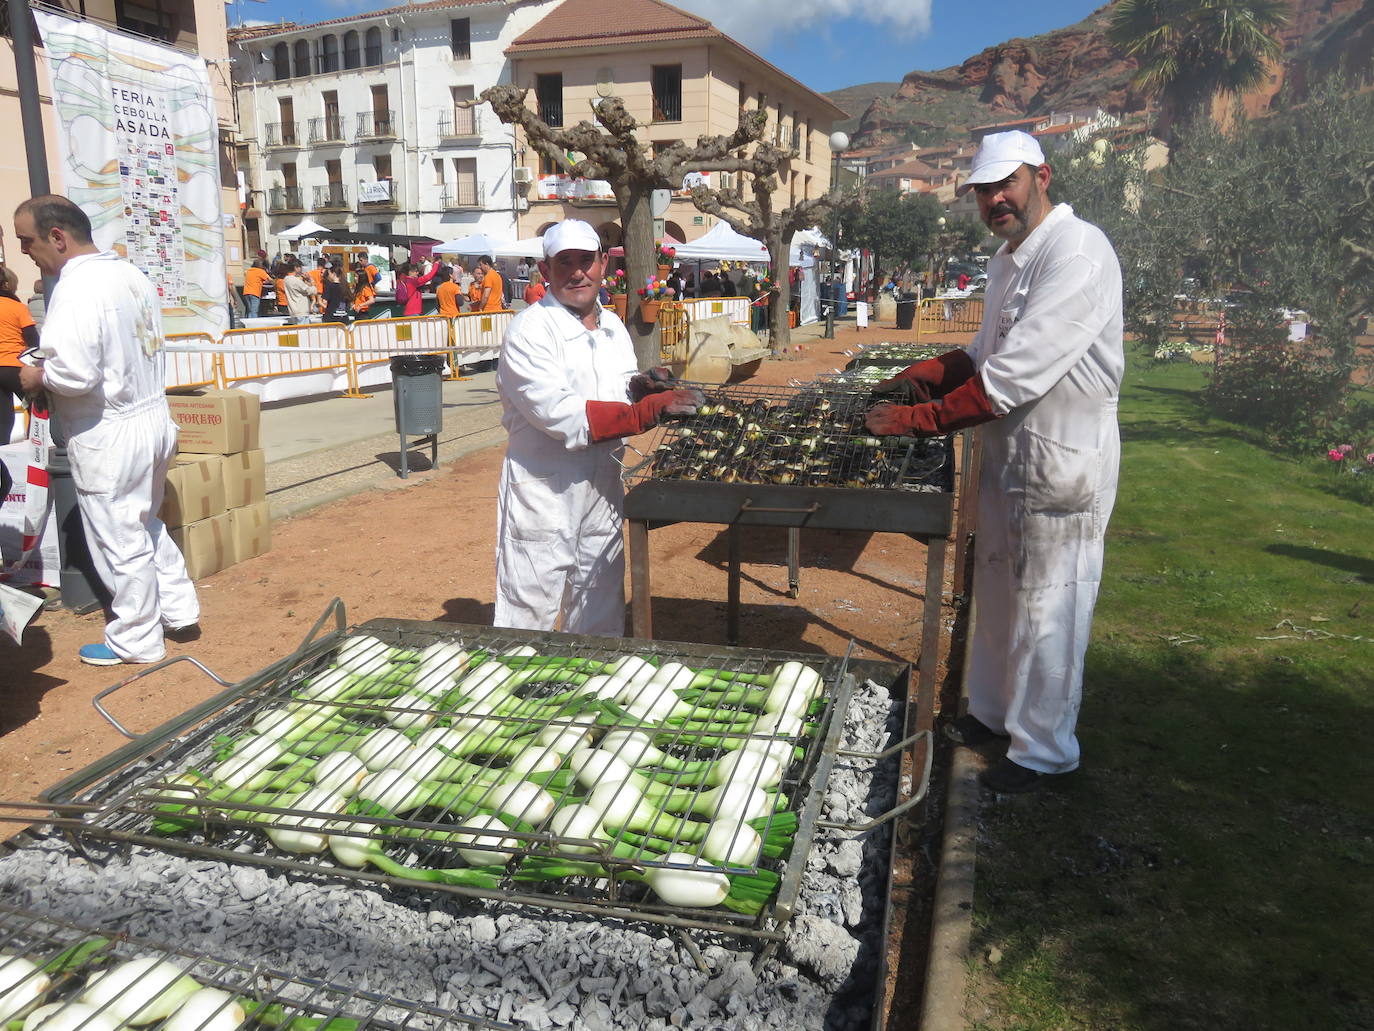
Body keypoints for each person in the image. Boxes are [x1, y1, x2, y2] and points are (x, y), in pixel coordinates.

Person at [864, 130, 1124, 794]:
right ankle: (992, 714)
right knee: (1001, 590)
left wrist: (919, 418)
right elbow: (982, 355)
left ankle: (1044, 753)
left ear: (1043, 175)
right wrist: (925, 373)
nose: (994, 199)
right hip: (1011, 458)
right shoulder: (1011, 258)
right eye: (984, 189)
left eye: (1005, 183)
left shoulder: (1078, 252)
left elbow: (1011, 379)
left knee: (1050, 606)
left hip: (1062, 462)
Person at [13, 194, 199, 665]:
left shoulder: (76, 289)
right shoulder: (127, 273)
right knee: (145, 523)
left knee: (120, 538)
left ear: (57, 236)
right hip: (150, 417)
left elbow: (75, 374)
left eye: (27, 241)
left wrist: (36, 376)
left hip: (108, 429)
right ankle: (178, 609)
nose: (24, 252)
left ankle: (136, 639)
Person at [493, 219, 699, 635]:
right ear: (545, 269)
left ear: (603, 264)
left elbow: (617, 389)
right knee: (529, 606)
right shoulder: (529, 331)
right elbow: (560, 414)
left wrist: (640, 387)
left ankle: (589, 689)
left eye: (585, 261)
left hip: (604, 484)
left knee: (600, 602)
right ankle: (513, 684)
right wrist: (645, 412)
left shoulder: (612, 327)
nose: (576, 272)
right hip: (545, 490)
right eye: (564, 262)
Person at [0, 264, 38, 446]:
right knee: (37, 406)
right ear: (8, 285)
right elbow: (33, 340)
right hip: (14, 365)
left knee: (3, 417)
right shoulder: (17, 307)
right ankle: (35, 446)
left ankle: (3, 456)